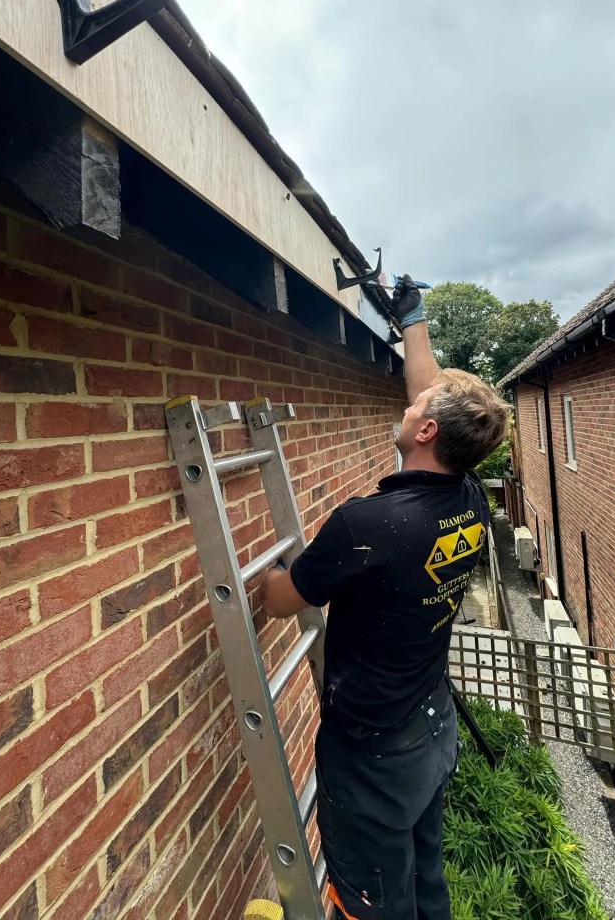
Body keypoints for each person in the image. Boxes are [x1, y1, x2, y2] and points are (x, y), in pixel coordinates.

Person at [256, 276, 509, 920]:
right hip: (427, 729)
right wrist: (413, 323)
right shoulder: (468, 499)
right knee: (425, 882)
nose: (405, 407)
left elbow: (282, 600)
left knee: (372, 903)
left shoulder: (368, 526)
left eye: (414, 411)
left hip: (371, 752)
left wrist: (263, 576)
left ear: (425, 432)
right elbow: (428, 397)